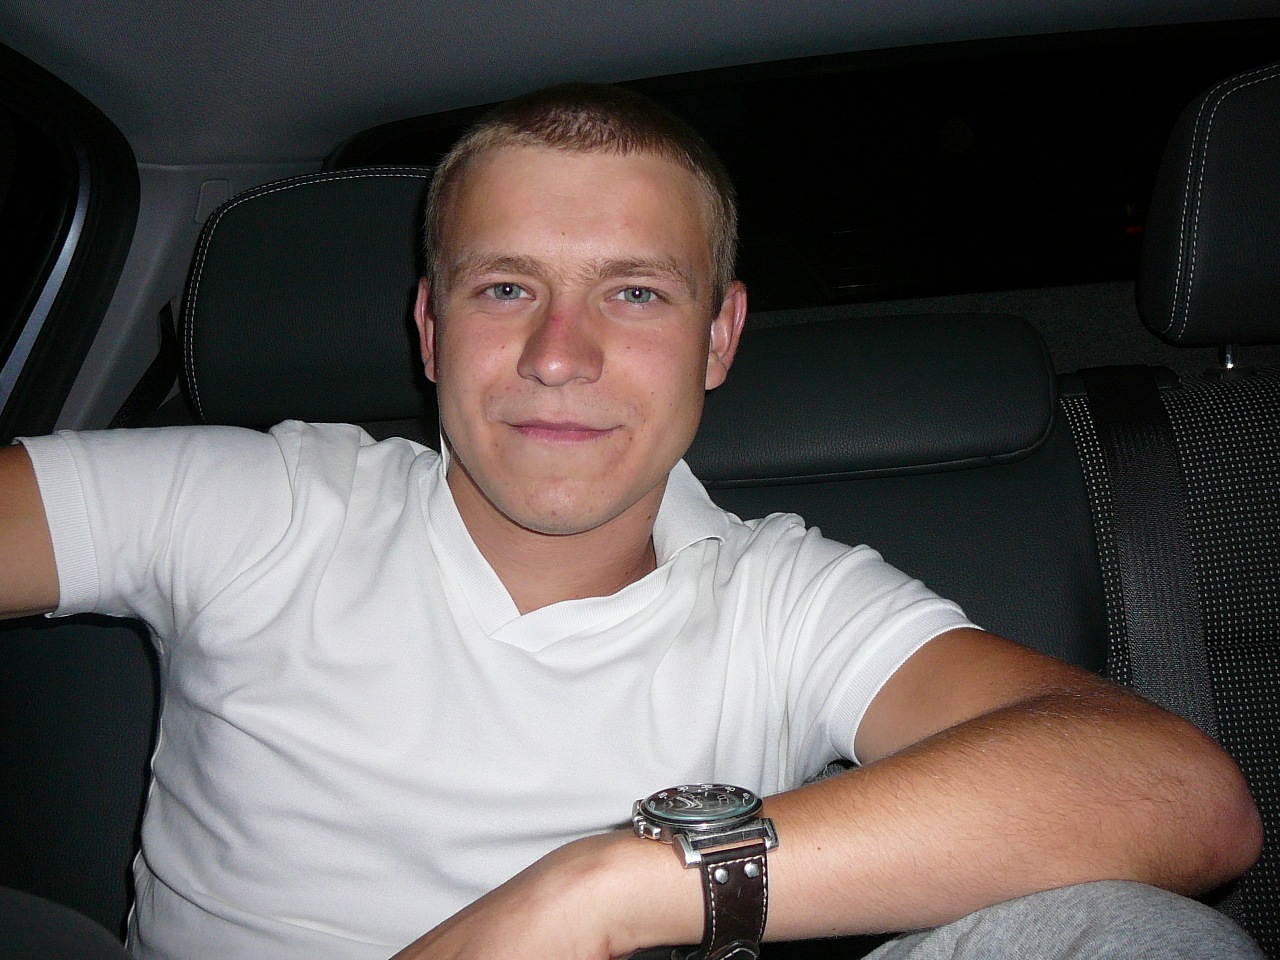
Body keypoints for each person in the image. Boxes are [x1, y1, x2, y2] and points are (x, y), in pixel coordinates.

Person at [0, 83, 1264, 960]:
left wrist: (603, 889)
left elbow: (1178, 797)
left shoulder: (783, 597)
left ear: (718, 336)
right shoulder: (251, 500)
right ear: (430, 329)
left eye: (635, 294)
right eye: (506, 288)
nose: (559, 355)